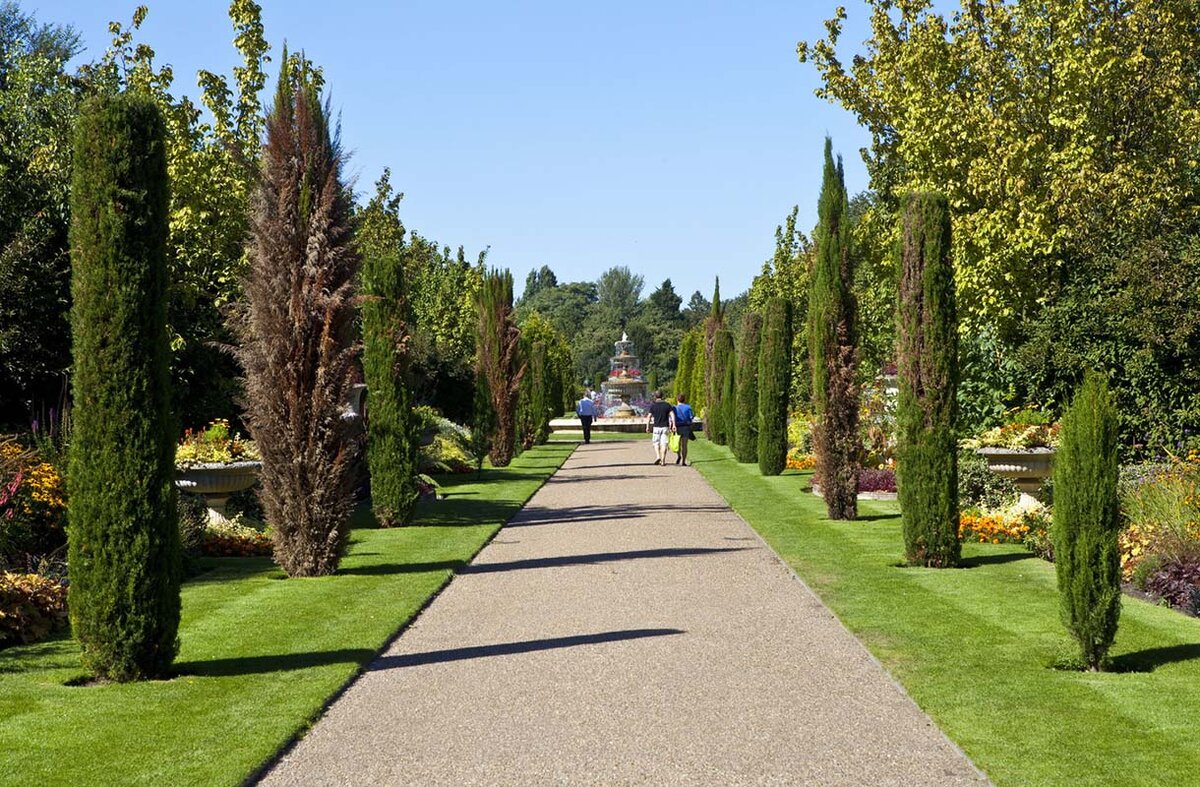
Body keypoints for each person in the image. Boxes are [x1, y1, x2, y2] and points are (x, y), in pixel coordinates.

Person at [644, 390, 676, 465]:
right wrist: (674, 424)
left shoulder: (653, 405)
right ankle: (663, 460)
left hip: (656, 427)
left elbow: (649, 417)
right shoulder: (667, 405)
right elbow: (672, 415)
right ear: (662, 396)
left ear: (655, 396)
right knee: (664, 444)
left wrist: (647, 427)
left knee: (656, 443)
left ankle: (658, 456)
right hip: (665, 427)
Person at [673, 393, 694, 466]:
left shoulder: (674, 408)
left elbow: (672, 418)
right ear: (684, 400)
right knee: (684, 445)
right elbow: (691, 417)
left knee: (677, 444)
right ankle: (684, 461)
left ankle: (678, 455)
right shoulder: (688, 407)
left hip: (677, 427)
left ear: (677, 400)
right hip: (685, 427)